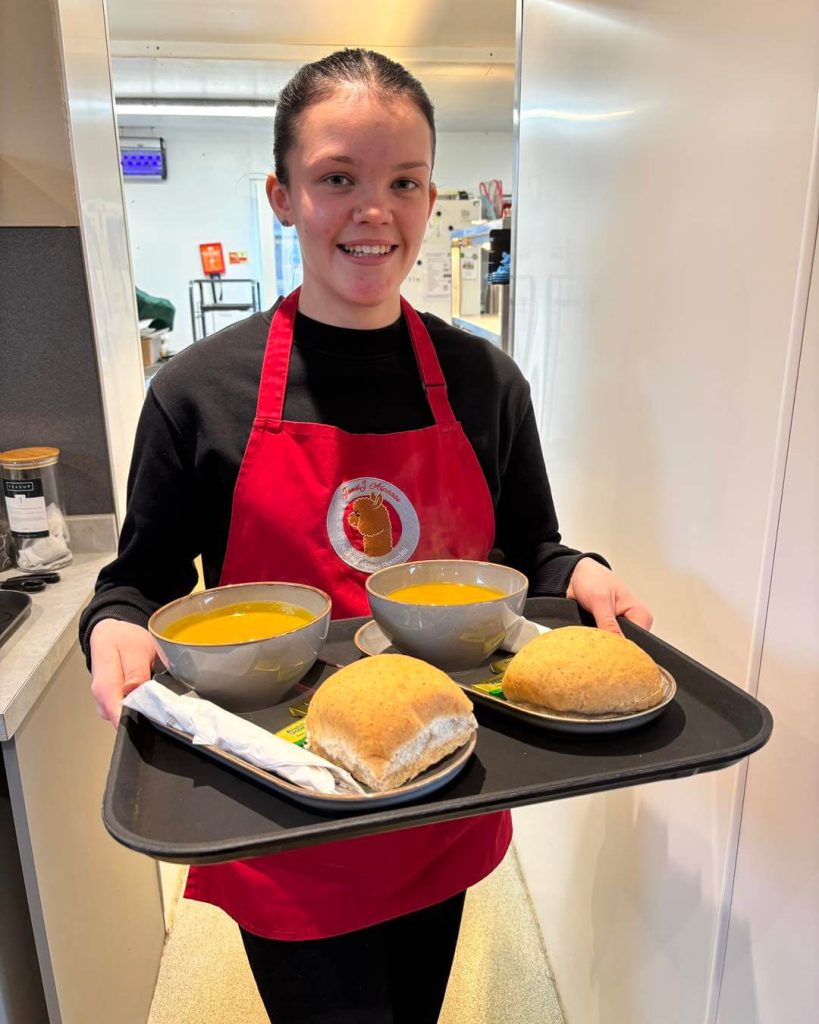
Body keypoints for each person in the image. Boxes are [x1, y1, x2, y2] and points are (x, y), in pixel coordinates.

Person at [80, 49, 653, 1024]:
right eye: (337, 178)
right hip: (285, 801)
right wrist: (115, 625)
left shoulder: (484, 383)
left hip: (441, 777)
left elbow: (532, 549)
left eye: (403, 181)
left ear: (433, 194)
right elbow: (135, 582)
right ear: (283, 194)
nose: (373, 209)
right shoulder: (195, 393)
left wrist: (582, 569)